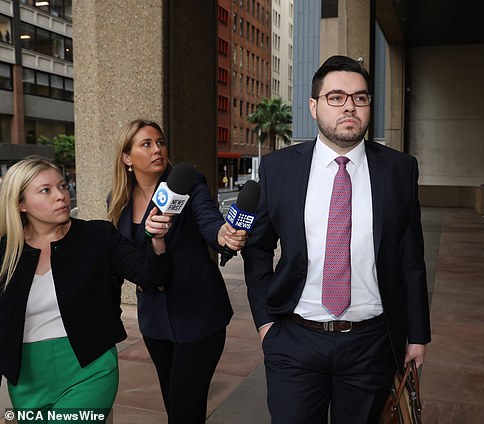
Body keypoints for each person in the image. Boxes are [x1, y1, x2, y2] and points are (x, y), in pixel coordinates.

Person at [242, 55, 431, 423]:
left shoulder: (399, 170)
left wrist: (417, 334)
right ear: (314, 106)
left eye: (360, 98)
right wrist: (265, 323)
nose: (350, 106)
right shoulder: (279, 169)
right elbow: (258, 247)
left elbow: (411, 258)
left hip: (371, 343)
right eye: (336, 97)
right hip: (295, 338)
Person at [0, 156, 172, 419]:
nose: (61, 196)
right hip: (26, 378)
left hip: (89, 368)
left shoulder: (98, 236)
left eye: (62, 186)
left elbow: (150, 276)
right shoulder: (5, 252)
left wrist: (157, 242)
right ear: (20, 203)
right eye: (46, 190)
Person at [107, 119, 247, 423]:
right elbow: (123, 258)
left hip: (199, 314)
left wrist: (223, 235)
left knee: (185, 407)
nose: (157, 149)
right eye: (146, 144)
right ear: (127, 158)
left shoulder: (187, 184)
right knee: (174, 401)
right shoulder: (118, 202)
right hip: (155, 320)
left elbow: (208, 220)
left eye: (160, 142)